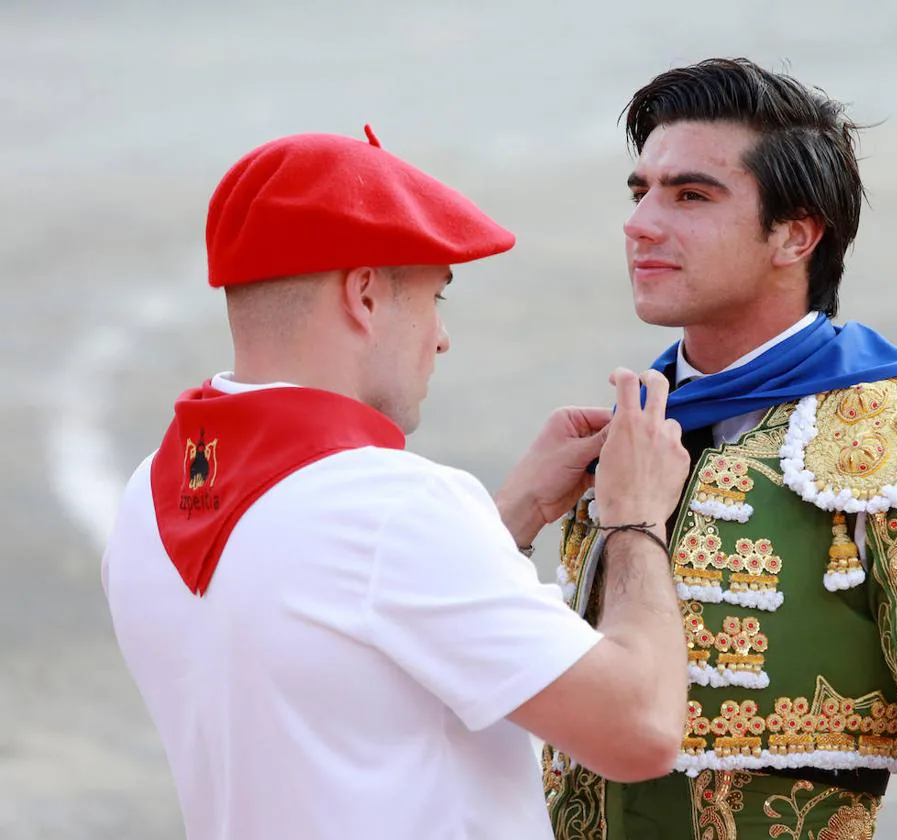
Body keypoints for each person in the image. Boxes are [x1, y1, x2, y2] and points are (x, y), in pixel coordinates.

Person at [101, 126, 692, 840]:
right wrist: (635, 518)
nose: (441, 336)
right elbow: (641, 728)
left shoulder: (149, 492)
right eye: (436, 296)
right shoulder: (396, 511)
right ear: (366, 296)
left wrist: (516, 511)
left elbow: (342, 619)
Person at [543, 59, 897, 838]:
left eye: (689, 195)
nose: (641, 222)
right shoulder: (623, 436)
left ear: (795, 234)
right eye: (640, 190)